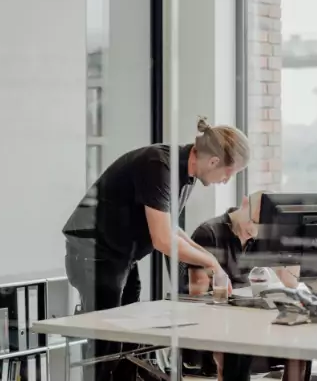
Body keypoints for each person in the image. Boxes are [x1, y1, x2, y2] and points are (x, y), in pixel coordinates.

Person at [62, 117, 250, 381]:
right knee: (107, 345)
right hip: (94, 253)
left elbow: (172, 229)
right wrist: (212, 264)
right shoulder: (159, 165)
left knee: (130, 340)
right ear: (214, 161)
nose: (227, 180)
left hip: (120, 256)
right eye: (230, 172)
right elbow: (162, 239)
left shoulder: (184, 175)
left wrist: (211, 260)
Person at [186, 191, 310, 381]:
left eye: (262, 227)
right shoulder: (209, 233)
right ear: (245, 203)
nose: (254, 231)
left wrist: (289, 243)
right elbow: (197, 294)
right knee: (238, 340)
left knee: (302, 341)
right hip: (218, 323)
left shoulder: (260, 237)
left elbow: (291, 281)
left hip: (251, 318)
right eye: (253, 222)